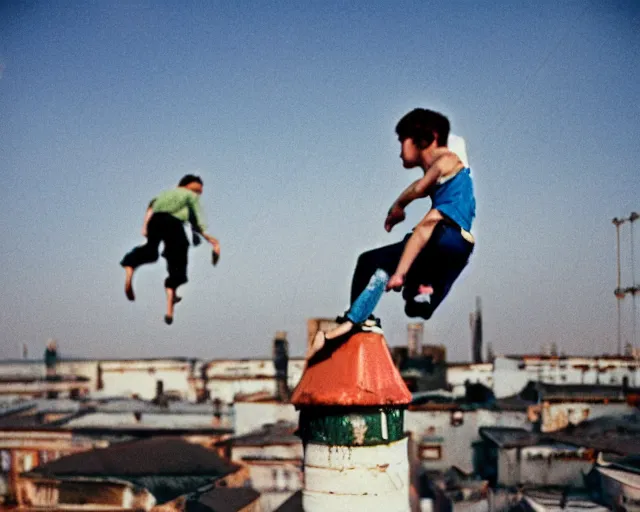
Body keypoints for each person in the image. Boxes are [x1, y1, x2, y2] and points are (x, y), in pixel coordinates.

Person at [307, 108, 476, 360]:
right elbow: (418, 188)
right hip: (458, 246)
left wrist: (399, 272)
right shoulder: (447, 168)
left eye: (401, 141)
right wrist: (398, 206)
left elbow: (421, 200)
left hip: (443, 237)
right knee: (403, 289)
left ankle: (361, 318)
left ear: (423, 138)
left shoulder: (445, 160)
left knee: (371, 261)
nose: (399, 151)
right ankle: (420, 293)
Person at [120, 174, 221, 325]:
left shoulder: (164, 194)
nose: (198, 194)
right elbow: (197, 217)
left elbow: (150, 208)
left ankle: (130, 265)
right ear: (188, 186)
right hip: (173, 225)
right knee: (179, 261)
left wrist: (145, 226)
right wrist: (208, 236)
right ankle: (171, 290)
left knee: (151, 252)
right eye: (197, 190)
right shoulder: (189, 196)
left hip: (155, 221)